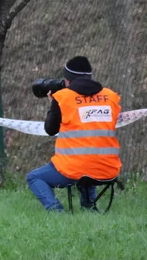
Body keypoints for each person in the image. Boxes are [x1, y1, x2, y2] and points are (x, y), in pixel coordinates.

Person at [27, 56, 122, 212]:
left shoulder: (63, 98)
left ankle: (56, 212)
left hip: (73, 170)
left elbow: (50, 129)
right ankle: (89, 207)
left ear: (67, 80)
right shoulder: (110, 96)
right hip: (108, 169)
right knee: (88, 164)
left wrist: (53, 104)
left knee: (34, 177)